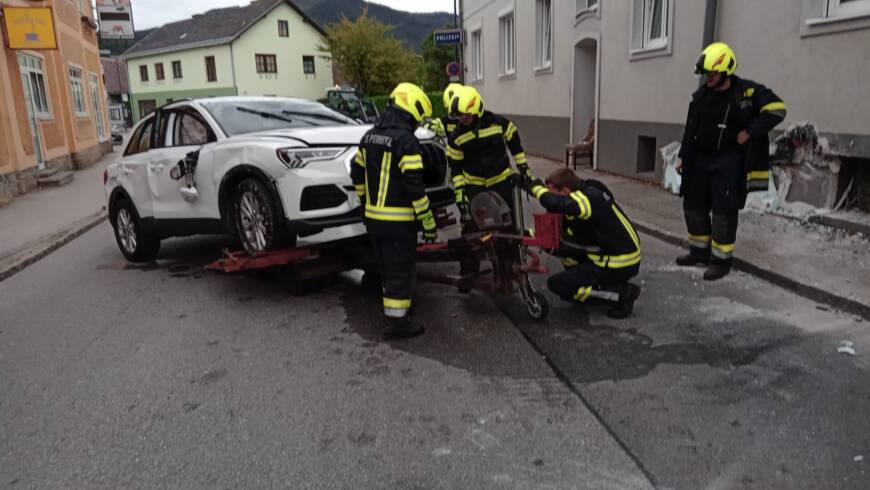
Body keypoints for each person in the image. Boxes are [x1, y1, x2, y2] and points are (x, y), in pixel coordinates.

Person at [676, 42, 786, 280]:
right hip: (701, 159)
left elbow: (777, 109)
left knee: (723, 210)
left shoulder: (746, 92)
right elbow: (690, 128)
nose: (708, 78)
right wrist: (683, 155)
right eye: (706, 74)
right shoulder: (701, 96)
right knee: (693, 206)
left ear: (726, 70)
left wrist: (750, 132)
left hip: (729, 160)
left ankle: (721, 260)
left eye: (712, 73)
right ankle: (698, 252)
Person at [350, 82, 438, 340]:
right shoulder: (405, 141)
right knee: (401, 270)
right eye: (417, 120)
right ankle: (397, 324)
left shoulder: (368, 137)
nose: (417, 125)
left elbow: (356, 173)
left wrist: (366, 202)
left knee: (388, 269)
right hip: (399, 222)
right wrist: (428, 220)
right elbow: (414, 186)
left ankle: (396, 312)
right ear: (410, 110)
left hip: (374, 221)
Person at [521, 168, 642, 319]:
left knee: (559, 285)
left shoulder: (589, 198)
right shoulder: (586, 190)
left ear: (565, 191)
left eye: (553, 193)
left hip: (619, 262)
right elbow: (558, 232)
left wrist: (535, 189)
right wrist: (528, 235)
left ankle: (621, 294)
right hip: (617, 254)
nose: (552, 200)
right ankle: (597, 285)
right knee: (568, 257)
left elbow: (556, 203)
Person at [445, 86, 530, 278]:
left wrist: (523, 167)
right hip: (475, 188)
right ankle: (469, 271)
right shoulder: (456, 137)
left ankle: (509, 268)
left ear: (476, 109)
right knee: (470, 230)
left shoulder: (499, 124)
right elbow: (456, 168)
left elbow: (515, 144)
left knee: (508, 228)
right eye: (458, 116)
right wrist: (460, 194)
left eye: (465, 115)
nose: (461, 119)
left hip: (502, 183)